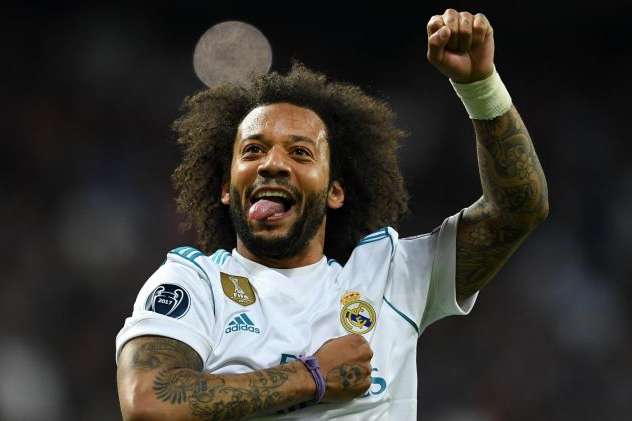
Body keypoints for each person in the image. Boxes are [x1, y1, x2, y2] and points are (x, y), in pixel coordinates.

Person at [116, 9, 549, 420]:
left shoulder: (392, 278)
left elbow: (518, 210)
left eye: (300, 152)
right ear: (227, 189)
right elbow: (148, 403)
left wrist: (481, 87)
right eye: (253, 150)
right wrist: (312, 377)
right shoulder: (194, 284)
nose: (272, 163)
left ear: (335, 192)